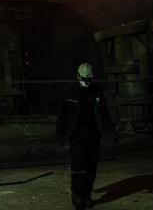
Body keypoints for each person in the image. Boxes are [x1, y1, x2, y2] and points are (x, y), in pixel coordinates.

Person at [56, 62, 119, 209]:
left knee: (91, 164)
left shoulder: (96, 92)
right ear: (78, 76)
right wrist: (60, 133)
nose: (86, 82)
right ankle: (77, 194)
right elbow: (62, 116)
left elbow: (104, 114)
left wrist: (111, 131)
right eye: (84, 79)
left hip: (93, 133)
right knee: (79, 163)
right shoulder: (69, 93)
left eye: (89, 79)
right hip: (76, 134)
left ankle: (86, 194)